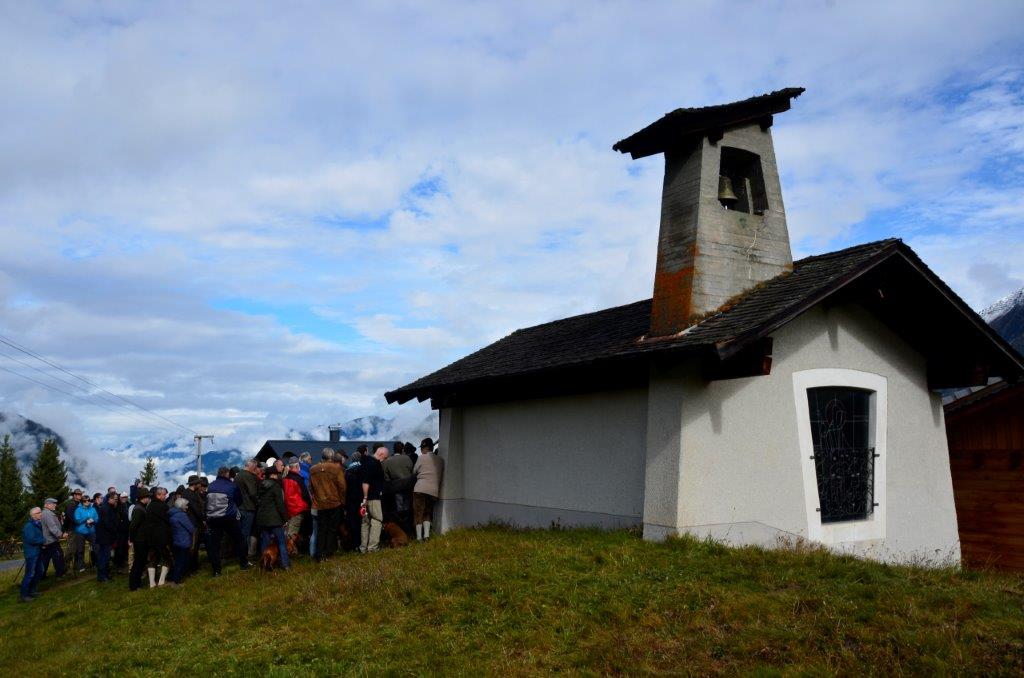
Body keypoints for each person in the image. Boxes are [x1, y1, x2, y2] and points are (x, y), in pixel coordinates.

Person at [206, 466, 249, 576]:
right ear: (227, 474)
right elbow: (239, 500)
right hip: (228, 518)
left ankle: (216, 571)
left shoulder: (211, 486)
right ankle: (244, 563)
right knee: (240, 539)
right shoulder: (232, 486)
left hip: (213, 519)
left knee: (215, 545)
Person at [309, 449, 346, 560]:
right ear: (332, 456)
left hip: (320, 504)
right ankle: (328, 552)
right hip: (334, 502)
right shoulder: (336, 468)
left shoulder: (313, 469)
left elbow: (311, 487)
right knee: (332, 529)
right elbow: (342, 487)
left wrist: (316, 498)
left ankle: (319, 554)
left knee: (321, 529)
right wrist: (342, 501)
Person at [255, 464, 290, 570]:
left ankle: (264, 564)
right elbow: (280, 504)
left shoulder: (261, 485)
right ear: (273, 475)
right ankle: (285, 564)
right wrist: (285, 518)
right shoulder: (276, 486)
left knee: (265, 542)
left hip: (262, 518)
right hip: (275, 519)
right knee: (281, 542)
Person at [413, 437, 445, 541]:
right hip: (433, 491)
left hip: (420, 489)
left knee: (418, 513)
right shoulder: (440, 460)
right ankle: (426, 536)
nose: (421, 450)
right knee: (428, 512)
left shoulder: (421, 458)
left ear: (425, 448)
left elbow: (414, 471)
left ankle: (419, 538)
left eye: (422, 448)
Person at [383, 441, 416, 536]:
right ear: (402, 450)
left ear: (393, 449)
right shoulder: (407, 458)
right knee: (408, 509)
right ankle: (409, 532)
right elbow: (412, 471)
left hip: (395, 488)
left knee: (398, 511)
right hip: (408, 486)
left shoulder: (388, 461)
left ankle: (401, 531)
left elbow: (386, 477)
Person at [144, 487, 173, 587]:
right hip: (162, 537)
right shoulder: (164, 506)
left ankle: (152, 583)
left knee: (152, 559)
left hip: (151, 537)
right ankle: (161, 581)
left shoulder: (149, 506)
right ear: (158, 495)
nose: (165, 496)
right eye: (164, 494)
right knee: (166, 558)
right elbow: (168, 521)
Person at [359, 446, 386, 553]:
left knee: (365, 522)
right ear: (381, 454)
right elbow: (366, 482)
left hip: (364, 498)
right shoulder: (374, 463)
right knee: (377, 520)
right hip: (373, 497)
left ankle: (363, 548)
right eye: (385, 457)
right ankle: (372, 548)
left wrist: (364, 498)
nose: (384, 460)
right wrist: (365, 497)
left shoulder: (364, 462)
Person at [236, 458, 260, 563]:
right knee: (247, 533)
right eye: (254, 467)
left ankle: (240, 555)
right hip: (249, 508)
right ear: (252, 467)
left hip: (239, 507)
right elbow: (253, 493)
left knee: (241, 533)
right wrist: (259, 502)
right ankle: (245, 558)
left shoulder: (238, 476)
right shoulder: (248, 476)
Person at [128, 488, 152, 591]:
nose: (149, 499)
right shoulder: (138, 509)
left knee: (141, 562)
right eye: (148, 497)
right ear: (144, 497)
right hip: (140, 540)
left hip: (142, 539)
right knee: (138, 562)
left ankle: (136, 583)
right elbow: (133, 526)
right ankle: (134, 585)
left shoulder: (141, 507)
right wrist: (131, 539)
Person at [19, 507, 45, 603]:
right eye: (39, 512)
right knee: (30, 574)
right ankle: (24, 595)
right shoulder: (29, 526)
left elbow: (36, 537)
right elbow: (31, 539)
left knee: (39, 572)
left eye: (40, 512)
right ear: (33, 515)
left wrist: (42, 543)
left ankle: (32, 591)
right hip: (31, 553)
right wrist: (43, 541)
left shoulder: (37, 524)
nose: (41, 514)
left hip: (37, 551)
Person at [168, 497, 195, 586]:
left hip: (175, 540)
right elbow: (191, 528)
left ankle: (174, 578)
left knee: (177, 561)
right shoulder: (181, 515)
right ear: (182, 506)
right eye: (186, 505)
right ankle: (176, 581)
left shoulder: (171, 514)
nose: (187, 507)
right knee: (181, 561)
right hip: (183, 541)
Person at [38, 497, 66, 579]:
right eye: (53, 504)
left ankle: (41, 575)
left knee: (45, 558)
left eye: (55, 503)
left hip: (46, 540)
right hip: (51, 540)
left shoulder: (45, 513)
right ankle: (60, 574)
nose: (55, 505)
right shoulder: (47, 514)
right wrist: (61, 535)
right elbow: (52, 528)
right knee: (58, 556)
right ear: (47, 504)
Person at [283, 458, 310, 543]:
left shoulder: (285, 479)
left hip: (289, 509)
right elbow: (305, 494)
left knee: (289, 531)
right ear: (297, 466)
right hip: (298, 508)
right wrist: (309, 504)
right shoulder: (298, 479)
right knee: (292, 534)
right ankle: (288, 549)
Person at [95, 492, 120, 582]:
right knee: (104, 556)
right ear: (110, 499)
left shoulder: (110, 507)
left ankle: (105, 574)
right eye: (115, 499)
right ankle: (102, 576)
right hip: (104, 536)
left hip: (106, 536)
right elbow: (107, 523)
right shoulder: (105, 508)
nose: (116, 501)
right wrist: (115, 530)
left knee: (106, 556)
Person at [343, 452, 364, 551]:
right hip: (361, 499)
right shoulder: (363, 470)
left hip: (350, 501)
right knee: (362, 522)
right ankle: (362, 543)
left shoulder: (347, 472)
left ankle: (353, 544)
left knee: (352, 523)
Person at [73, 494, 99, 572]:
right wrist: (86, 518)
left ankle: (98, 563)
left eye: (88, 500)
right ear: (82, 502)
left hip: (91, 531)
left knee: (96, 547)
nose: (87, 502)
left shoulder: (93, 509)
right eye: (85, 501)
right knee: (80, 549)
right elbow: (77, 521)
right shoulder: (78, 510)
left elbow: (97, 519)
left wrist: (93, 520)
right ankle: (80, 566)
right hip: (80, 532)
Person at [114, 493, 130, 571]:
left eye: (125, 497)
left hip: (126, 530)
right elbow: (117, 519)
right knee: (119, 548)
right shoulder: (118, 506)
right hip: (119, 531)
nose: (124, 498)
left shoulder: (127, 505)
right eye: (123, 497)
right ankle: (119, 564)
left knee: (124, 547)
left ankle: (122, 562)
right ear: (120, 498)